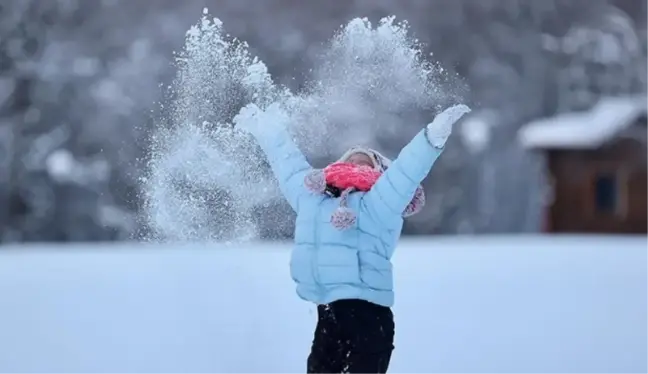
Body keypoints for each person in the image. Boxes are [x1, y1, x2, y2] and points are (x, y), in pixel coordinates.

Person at [234, 102, 470, 374]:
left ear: (381, 173)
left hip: (369, 317)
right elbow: (288, 166)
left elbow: (406, 172)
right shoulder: (313, 198)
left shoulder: (380, 201)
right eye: (351, 159)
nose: (356, 163)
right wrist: (267, 131)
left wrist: (431, 138)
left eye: (366, 161)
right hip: (328, 313)